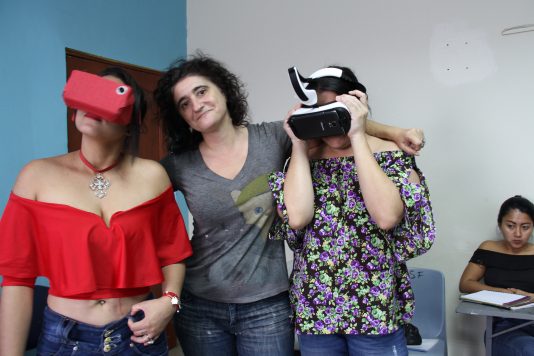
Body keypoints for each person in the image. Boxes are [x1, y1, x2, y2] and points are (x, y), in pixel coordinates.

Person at [153, 54, 426, 356]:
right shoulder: (180, 165)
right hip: (208, 303)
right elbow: (141, 200)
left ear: (222, 91)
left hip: (271, 306)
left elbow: (338, 116)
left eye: (201, 91)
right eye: (184, 103)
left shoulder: (271, 139)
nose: (196, 104)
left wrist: (394, 132)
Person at [0, 67, 192, 356]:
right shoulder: (36, 176)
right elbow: (16, 279)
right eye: (90, 93)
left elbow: (173, 254)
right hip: (64, 340)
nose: (94, 104)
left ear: (131, 121)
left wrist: (170, 301)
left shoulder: (152, 175)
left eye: (110, 97)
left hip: (138, 335)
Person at [269, 65, 435, 356]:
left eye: (337, 111)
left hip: (374, 310)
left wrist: (358, 135)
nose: (329, 122)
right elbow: (296, 218)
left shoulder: (390, 154)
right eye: (320, 112)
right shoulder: (301, 161)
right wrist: (298, 144)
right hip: (316, 310)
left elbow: (386, 217)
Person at [459, 195, 534, 356]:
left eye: (525, 227)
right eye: (511, 226)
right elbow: (466, 283)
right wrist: (498, 291)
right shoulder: (488, 248)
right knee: (529, 350)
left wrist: (528, 297)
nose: (518, 233)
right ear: (500, 225)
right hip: (503, 326)